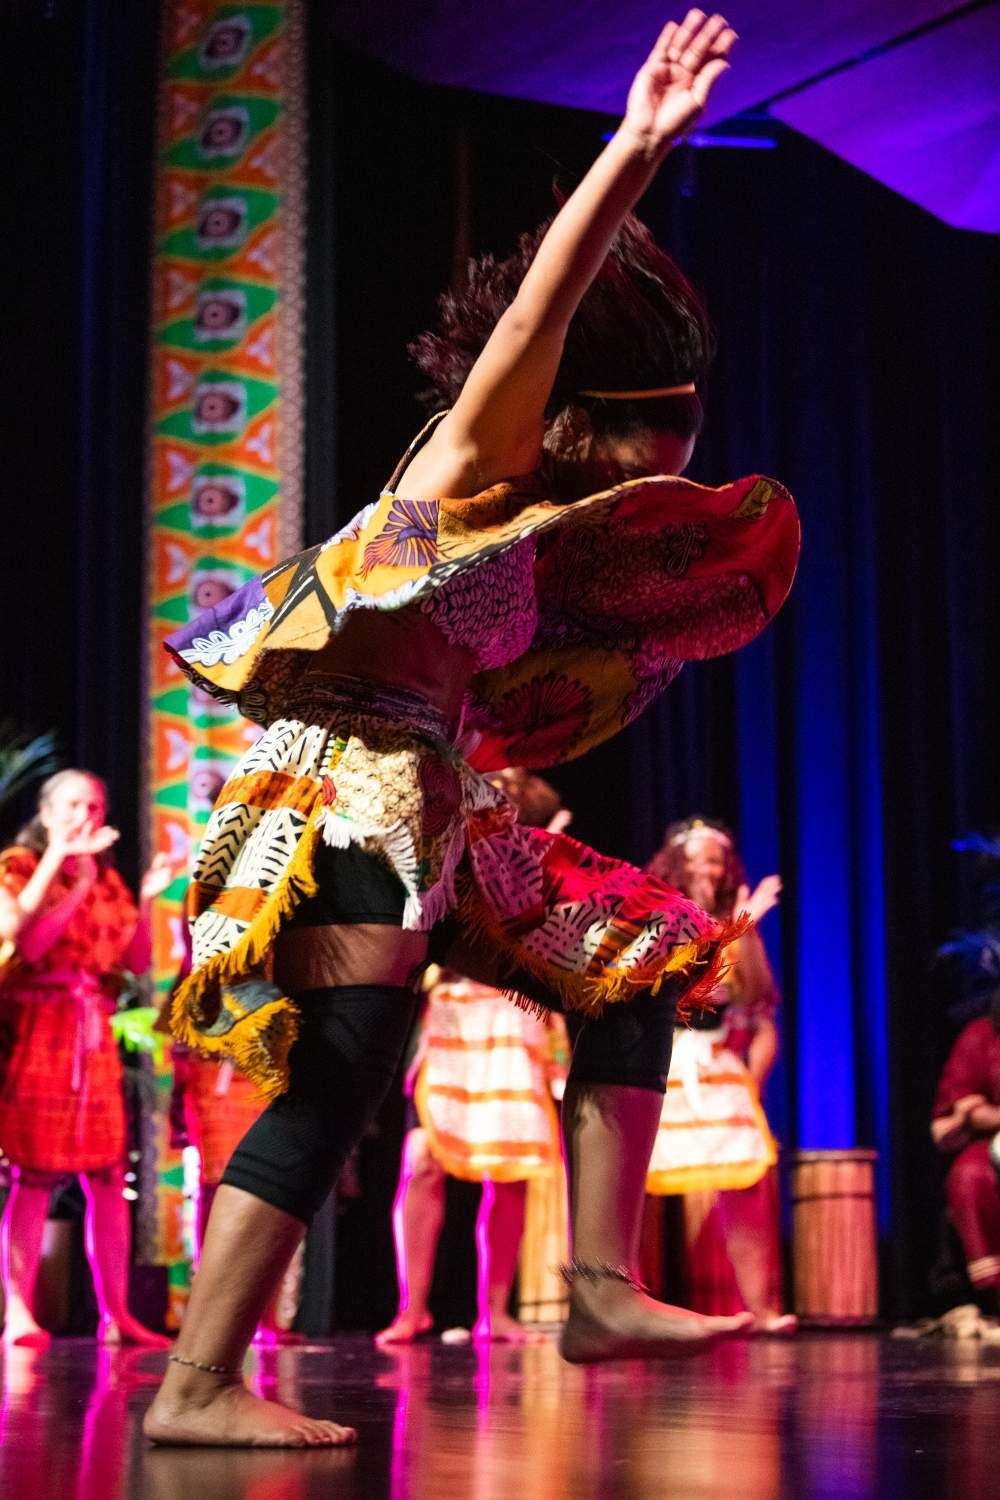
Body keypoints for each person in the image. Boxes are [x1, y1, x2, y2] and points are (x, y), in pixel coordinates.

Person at [145, 11, 800, 1447]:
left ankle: (599, 1287)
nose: (641, 489)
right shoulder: (466, 458)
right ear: (572, 423)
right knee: (342, 1073)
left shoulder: (531, 526)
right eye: (640, 460)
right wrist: (637, 146)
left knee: (638, 962)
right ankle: (195, 1389)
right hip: (337, 790)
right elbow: (534, 316)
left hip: (437, 797)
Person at [377, 771, 570, 1348]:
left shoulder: (544, 861)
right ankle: (412, 1309)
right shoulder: (448, 852)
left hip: (514, 1015)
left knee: (509, 1169)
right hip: (453, 1015)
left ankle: (496, 1312)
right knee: (422, 1161)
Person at [0, 769, 174, 1347]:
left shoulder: (107, 878)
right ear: (48, 812)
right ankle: (19, 1312)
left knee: (106, 1174)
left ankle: (119, 1315)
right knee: (34, 1175)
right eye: (74, 805)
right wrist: (68, 872)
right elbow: (25, 939)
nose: (86, 816)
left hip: (92, 1029)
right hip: (39, 1028)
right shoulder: (20, 865)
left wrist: (146, 900)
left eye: (95, 806)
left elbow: (135, 962)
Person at [645, 818, 795, 1332]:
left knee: (746, 1177)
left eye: (715, 861)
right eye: (695, 860)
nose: (706, 869)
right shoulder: (656, 917)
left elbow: (756, 995)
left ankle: (761, 1308)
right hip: (660, 1057)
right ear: (674, 866)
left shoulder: (734, 926)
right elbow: (669, 987)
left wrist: (744, 929)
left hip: (714, 1060)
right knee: (636, 1183)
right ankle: (628, 1301)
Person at [931, 998, 1000, 1315]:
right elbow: (966, 1108)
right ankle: (993, 1292)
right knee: (970, 1174)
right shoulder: (981, 1036)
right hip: (992, 1140)